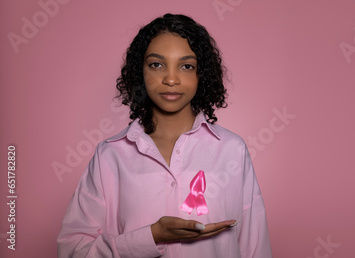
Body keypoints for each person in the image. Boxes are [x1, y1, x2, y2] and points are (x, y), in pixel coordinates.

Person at [57, 13, 272, 257]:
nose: (171, 79)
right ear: (140, 72)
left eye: (187, 66)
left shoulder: (233, 149)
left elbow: (256, 248)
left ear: (201, 75)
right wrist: (152, 236)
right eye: (157, 64)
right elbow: (73, 251)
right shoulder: (110, 155)